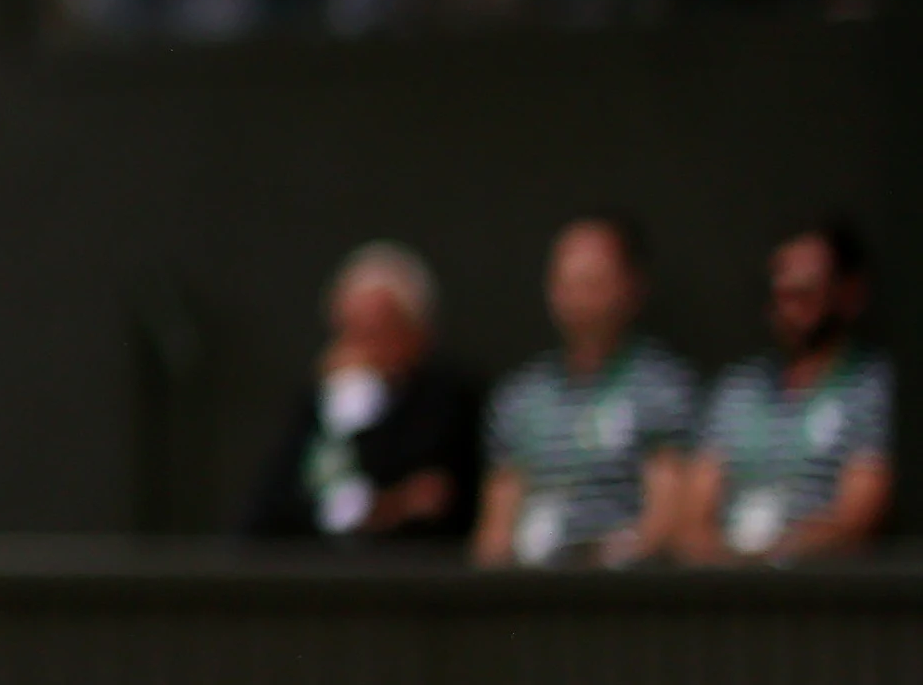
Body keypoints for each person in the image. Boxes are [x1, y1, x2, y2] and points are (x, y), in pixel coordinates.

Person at [475, 215, 699, 568]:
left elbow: (667, 518)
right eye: (566, 281)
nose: (577, 296)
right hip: (529, 586)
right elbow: (497, 525)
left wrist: (605, 563)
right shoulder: (521, 396)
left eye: (593, 281)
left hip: (618, 588)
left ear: (631, 286)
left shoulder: (660, 387)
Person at [238, 242, 485, 543]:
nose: (361, 352)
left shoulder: (448, 401)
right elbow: (270, 510)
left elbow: (432, 504)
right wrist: (338, 414)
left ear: (416, 333)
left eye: (375, 333)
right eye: (349, 332)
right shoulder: (319, 401)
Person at [674, 224, 889, 563]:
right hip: (727, 580)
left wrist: (775, 553)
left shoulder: (866, 386)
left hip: (817, 585)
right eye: (782, 293)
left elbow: (856, 518)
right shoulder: (737, 388)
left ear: (847, 293)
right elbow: (693, 514)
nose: (791, 308)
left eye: (806, 293)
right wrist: (723, 556)